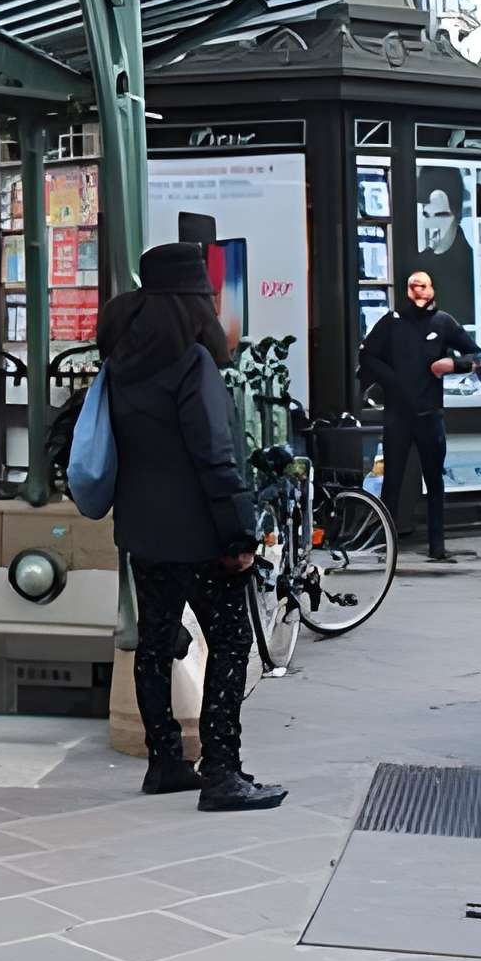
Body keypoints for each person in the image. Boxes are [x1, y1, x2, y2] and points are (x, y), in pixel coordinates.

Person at [105, 242, 285, 813]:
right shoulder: (193, 363)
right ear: (196, 301)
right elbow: (215, 455)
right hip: (201, 535)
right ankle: (222, 770)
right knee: (230, 643)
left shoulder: (122, 361)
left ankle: (164, 762)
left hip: (143, 529)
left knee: (155, 643)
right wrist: (239, 535)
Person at [358, 267, 481, 563]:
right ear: (406, 290)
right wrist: (393, 380)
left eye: (423, 285)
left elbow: (476, 355)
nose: (418, 291)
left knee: (435, 480)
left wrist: (453, 365)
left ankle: (437, 546)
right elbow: (367, 356)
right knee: (392, 480)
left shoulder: (443, 322)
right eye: (413, 285)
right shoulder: (392, 321)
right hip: (398, 415)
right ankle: (386, 545)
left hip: (430, 413)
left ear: (433, 289)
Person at [416, 165, 477, 327]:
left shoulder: (472, 264)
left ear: (457, 215)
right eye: (426, 215)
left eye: (441, 215)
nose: (432, 226)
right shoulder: (418, 262)